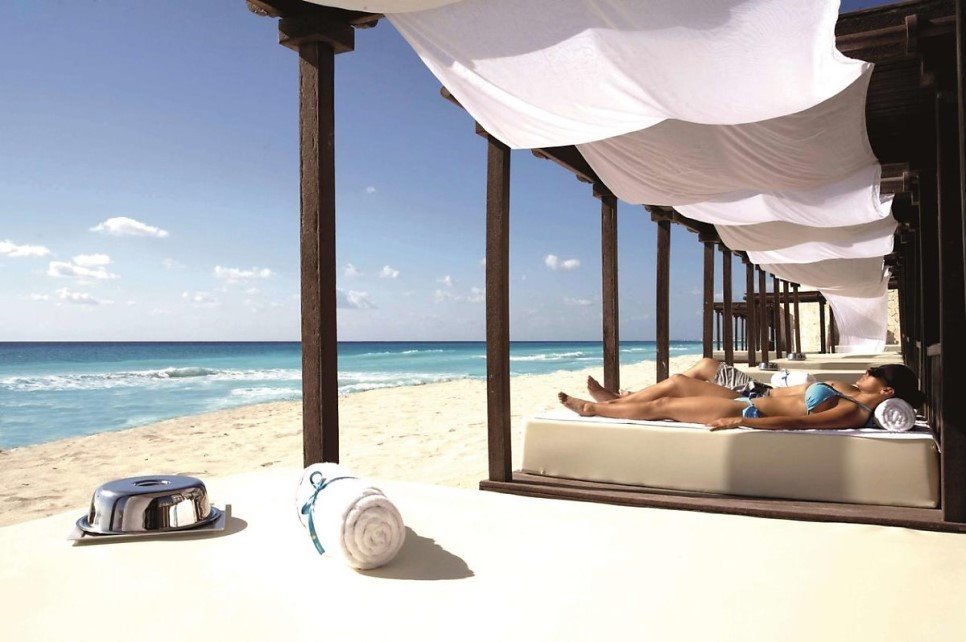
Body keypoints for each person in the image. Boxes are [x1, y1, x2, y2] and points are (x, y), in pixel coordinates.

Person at [559, 358, 925, 431]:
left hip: (748, 408)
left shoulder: (854, 410)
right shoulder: (851, 390)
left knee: (664, 405)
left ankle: (595, 410)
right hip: (751, 397)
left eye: (874, 373)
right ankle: (615, 402)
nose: (866, 372)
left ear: (887, 390)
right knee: (677, 383)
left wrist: (741, 422)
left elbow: (797, 423)